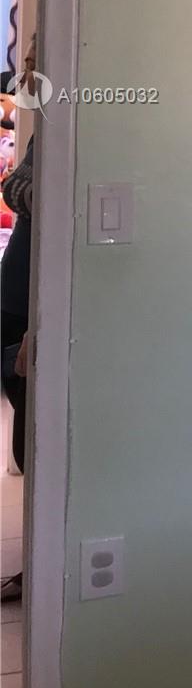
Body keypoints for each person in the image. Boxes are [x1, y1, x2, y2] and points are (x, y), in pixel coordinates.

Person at [1, 39, 35, 605]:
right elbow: (13, 186)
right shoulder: (51, 123)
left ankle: (38, 568)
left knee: (36, 424)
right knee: (22, 404)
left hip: (40, 295)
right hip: (16, 288)